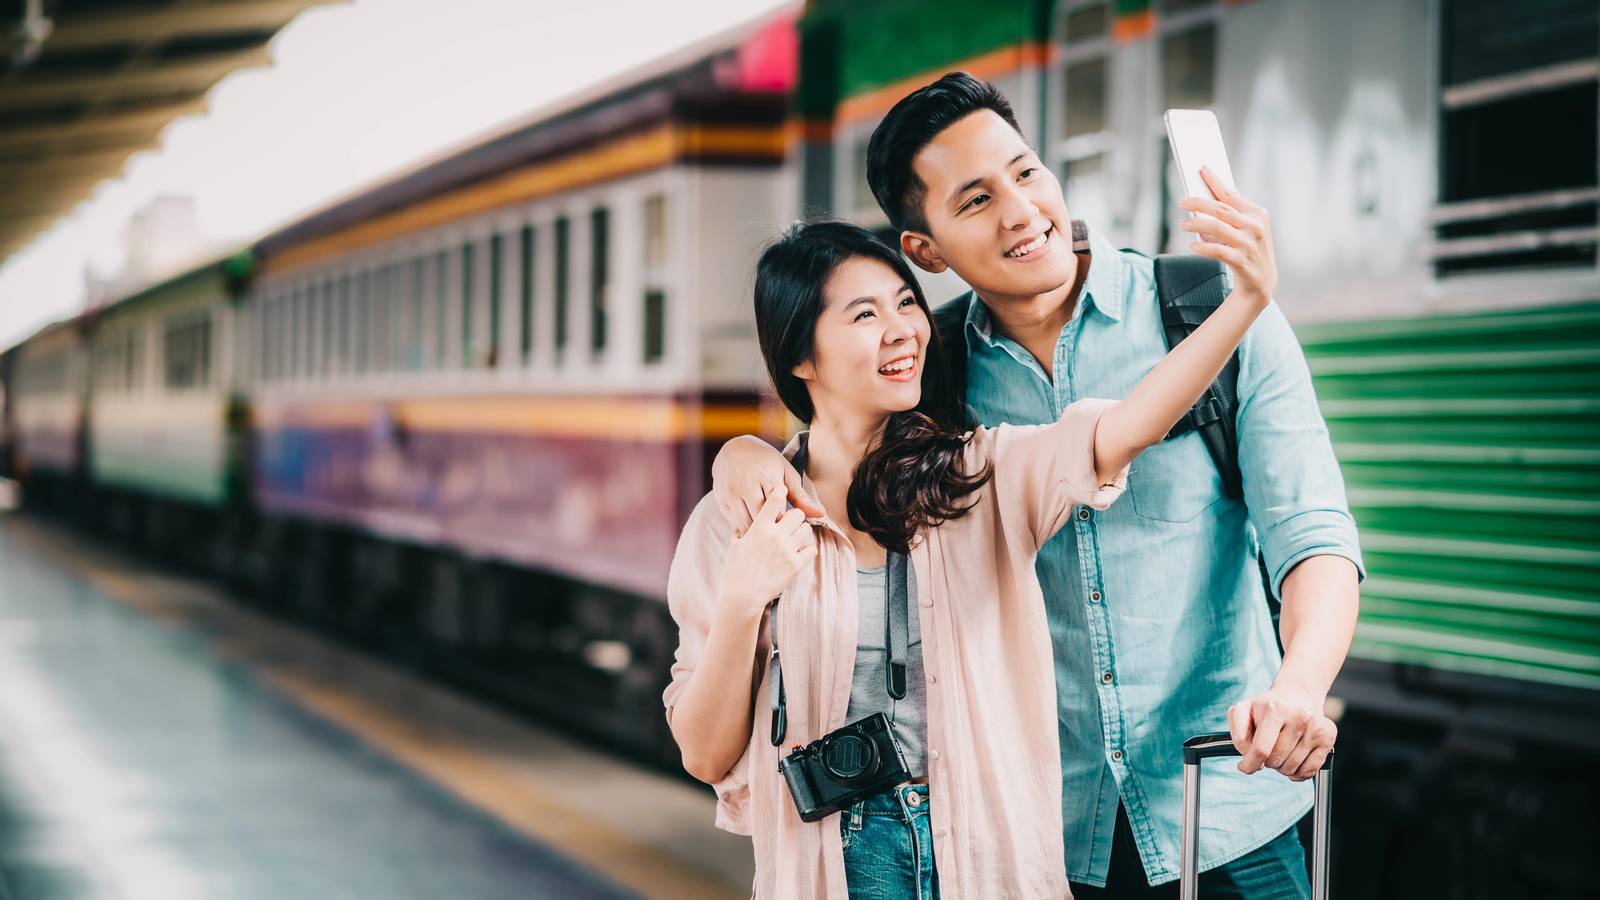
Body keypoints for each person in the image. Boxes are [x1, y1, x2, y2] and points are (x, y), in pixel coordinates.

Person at [710, 73, 1364, 898]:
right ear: (927, 250)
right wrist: (745, 453)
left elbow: (1313, 536)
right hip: (1031, 838)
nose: (1021, 211)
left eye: (1025, 173)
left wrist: (1299, 687)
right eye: (976, 200)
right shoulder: (930, 377)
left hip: (1228, 809)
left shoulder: (1211, 316)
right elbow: (832, 461)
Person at [665, 213, 1276, 899]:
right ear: (800, 354)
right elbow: (703, 751)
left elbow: (1127, 427)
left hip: (986, 853)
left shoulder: (981, 476)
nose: (904, 330)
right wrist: (746, 597)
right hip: (831, 865)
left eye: (906, 303)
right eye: (864, 315)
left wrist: (1246, 300)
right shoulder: (736, 523)